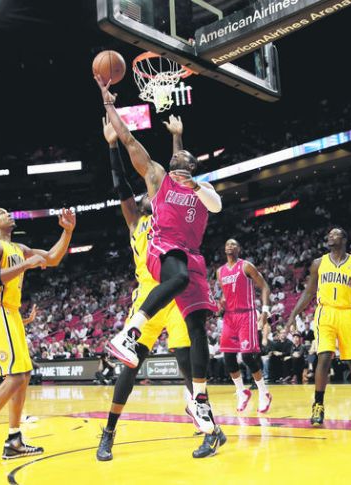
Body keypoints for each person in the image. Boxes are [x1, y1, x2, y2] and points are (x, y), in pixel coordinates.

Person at [96, 75, 224, 458]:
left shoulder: (192, 193)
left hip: (180, 279)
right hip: (153, 288)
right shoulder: (143, 208)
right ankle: (109, 431)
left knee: (191, 357)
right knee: (129, 368)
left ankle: (205, 421)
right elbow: (130, 160)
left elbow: (184, 169)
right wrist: (109, 114)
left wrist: (178, 138)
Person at [0, 207, 75, 472]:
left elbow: (53, 258)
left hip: (10, 312)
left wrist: (67, 232)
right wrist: (25, 264)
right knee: (15, 376)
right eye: (1, 212)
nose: (8, 214)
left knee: (24, 375)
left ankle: (14, 440)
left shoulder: (18, 247)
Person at [288, 228, 351, 427]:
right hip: (325, 312)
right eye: (329, 234)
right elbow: (308, 294)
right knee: (324, 356)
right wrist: (293, 315)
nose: (330, 236)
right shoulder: (318, 263)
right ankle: (318, 405)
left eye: (335, 234)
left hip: (346, 313)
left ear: (344, 239)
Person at [215, 239, 272, 413]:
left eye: (233, 244)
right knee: (228, 358)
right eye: (227, 244)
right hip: (230, 317)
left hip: (246, 314)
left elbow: (265, 287)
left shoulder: (246, 266)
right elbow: (225, 296)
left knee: (247, 356)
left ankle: (264, 392)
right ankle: (241, 392)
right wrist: (221, 305)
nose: (230, 246)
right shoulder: (220, 272)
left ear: (239, 249)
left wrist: (265, 311)